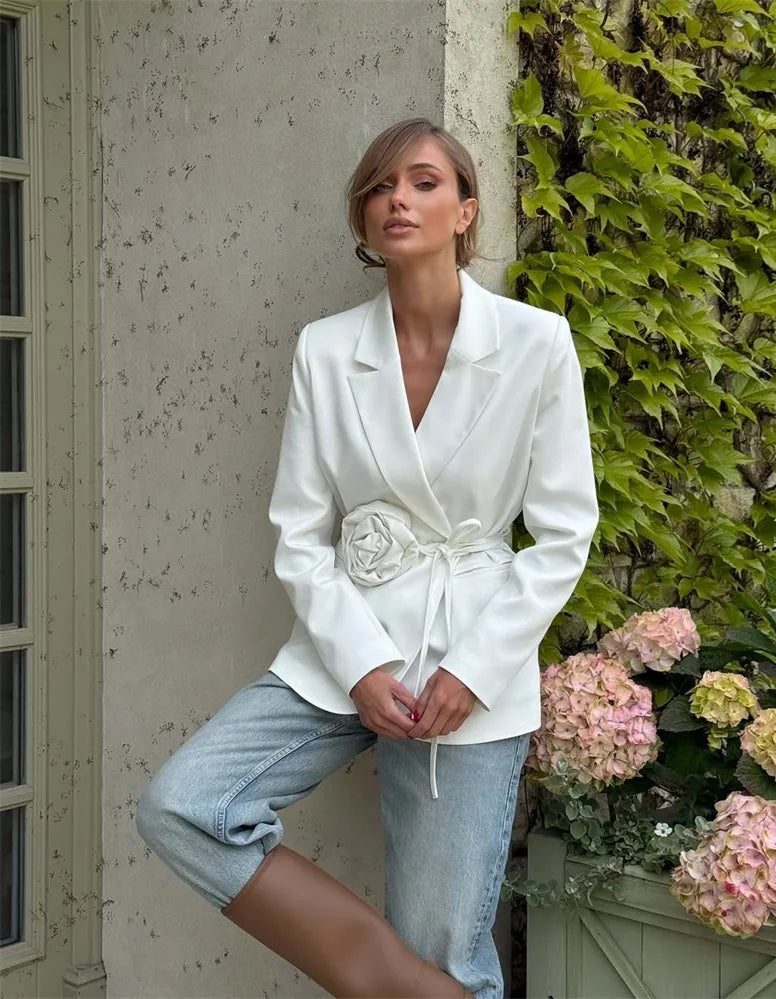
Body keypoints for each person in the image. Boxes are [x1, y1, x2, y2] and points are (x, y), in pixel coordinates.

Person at [134, 117, 600, 999]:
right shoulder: (326, 349)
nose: (398, 199)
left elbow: (565, 532)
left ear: (466, 210)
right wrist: (360, 666)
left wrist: (476, 665)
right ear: (361, 217)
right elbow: (300, 533)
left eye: (424, 182)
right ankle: (391, 981)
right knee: (186, 802)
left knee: (445, 946)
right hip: (349, 640)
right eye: (381, 186)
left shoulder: (537, 344)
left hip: (475, 655)